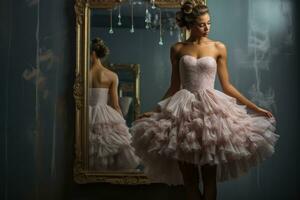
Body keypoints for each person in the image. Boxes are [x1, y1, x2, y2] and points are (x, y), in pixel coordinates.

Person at [129, 1, 279, 199]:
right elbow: (174, 87)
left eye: (209, 23)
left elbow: (228, 86)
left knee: (209, 178)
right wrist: (155, 111)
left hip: (212, 113)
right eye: (201, 24)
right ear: (190, 24)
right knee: (189, 180)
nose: (207, 28)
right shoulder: (178, 49)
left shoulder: (218, 47)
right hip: (183, 112)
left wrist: (255, 108)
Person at [88, 38, 140, 171]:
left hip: (86, 113)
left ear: (93, 53)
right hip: (104, 114)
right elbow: (115, 105)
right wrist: (121, 123)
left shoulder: (82, 74)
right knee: (108, 147)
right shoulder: (111, 75)